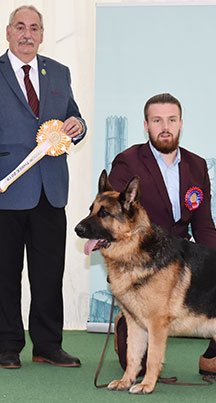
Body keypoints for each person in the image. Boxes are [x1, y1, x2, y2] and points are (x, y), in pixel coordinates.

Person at [108, 93, 216, 377]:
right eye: (157, 120)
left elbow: (203, 225)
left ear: (181, 124)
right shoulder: (127, 162)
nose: (164, 126)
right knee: (138, 369)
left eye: (171, 120)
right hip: (142, 267)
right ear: (146, 125)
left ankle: (215, 354)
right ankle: (128, 319)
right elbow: (115, 220)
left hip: (180, 261)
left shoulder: (197, 165)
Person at [0, 5, 87, 369]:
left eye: (34, 28)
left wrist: (78, 127)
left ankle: (48, 345)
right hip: (7, 188)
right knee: (5, 273)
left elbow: (74, 117)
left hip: (51, 189)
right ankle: (6, 346)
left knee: (49, 272)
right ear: (8, 32)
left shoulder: (59, 73)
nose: (27, 34)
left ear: (41, 34)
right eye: (20, 27)